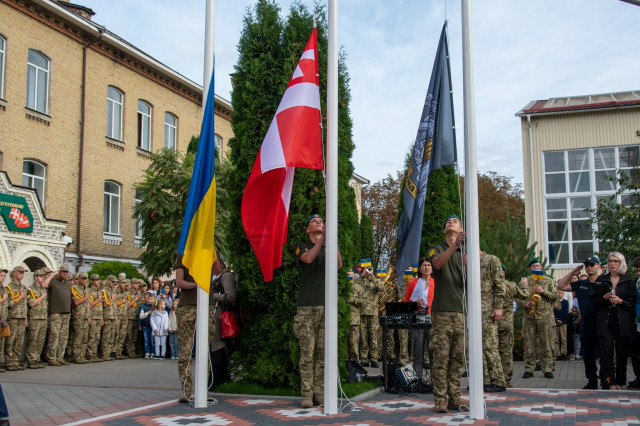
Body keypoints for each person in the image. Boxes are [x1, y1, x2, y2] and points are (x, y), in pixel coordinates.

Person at [294, 214, 342, 409]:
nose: (319, 222)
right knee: (307, 353)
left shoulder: (327, 246)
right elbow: (307, 259)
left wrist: (331, 240)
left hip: (325, 306)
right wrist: (323, 240)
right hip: (307, 306)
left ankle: (319, 393)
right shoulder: (302, 246)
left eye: (321, 221)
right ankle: (306, 394)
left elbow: (338, 265)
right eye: (315, 221)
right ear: (308, 229)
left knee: (322, 354)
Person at [429, 214, 468, 413]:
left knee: (458, 358)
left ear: (461, 229)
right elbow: (437, 264)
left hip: (461, 312)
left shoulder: (466, 253)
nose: (451, 222)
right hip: (442, 311)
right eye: (448, 222)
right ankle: (439, 399)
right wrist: (455, 246)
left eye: (455, 221)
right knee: (441, 358)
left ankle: (455, 397)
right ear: (445, 230)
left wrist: (471, 266)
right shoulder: (437, 248)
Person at [591, 252, 638, 390]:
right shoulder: (602, 279)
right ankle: (608, 381)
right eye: (610, 261)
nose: (612, 264)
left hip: (622, 321)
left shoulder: (628, 281)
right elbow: (594, 300)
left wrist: (621, 301)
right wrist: (604, 298)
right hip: (605, 320)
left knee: (622, 353)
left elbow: (633, 305)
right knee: (606, 353)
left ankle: (619, 382)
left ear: (621, 263)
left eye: (615, 261)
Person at [557, 255, 602, 389]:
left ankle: (606, 380)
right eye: (587, 265)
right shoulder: (581, 284)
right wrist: (573, 272)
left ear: (598, 267)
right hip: (586, 323)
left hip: (602, 323)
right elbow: (560, 285)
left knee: (605, 354)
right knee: (588, 355)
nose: (589, 268)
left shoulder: (604, 282)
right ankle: (592, 381)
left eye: (592, 265)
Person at [518, 258, 558, 379]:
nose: (535, 268)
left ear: (541, 268)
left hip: (544, 317)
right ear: (530, 268)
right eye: (533, 266)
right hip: (529, 317)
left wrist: (543, 291)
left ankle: (547, 369)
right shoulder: (525, 281)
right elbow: (517, 296)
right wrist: (524, 303)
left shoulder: (549, 281)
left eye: (537, 266)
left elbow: (555, 297)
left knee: (545, 344)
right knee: (530, 345)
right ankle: (529, 369)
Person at [479, 251, 507, 392]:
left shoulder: (491, 260)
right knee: (476, 348)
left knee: (489, 345)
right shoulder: (463, 262)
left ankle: (498, 380)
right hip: (471, 310)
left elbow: (500, 284)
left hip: (487, 310)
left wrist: (498, 307)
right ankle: (483, 380)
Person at [405, 257, 435, 379]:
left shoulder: (435, 283)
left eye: (429, 265)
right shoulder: (413, 283)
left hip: (432, 318)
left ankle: (435, 380)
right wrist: (415, 303)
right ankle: (418, 378)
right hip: (418, 317)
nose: (427, 267)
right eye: (424, 265)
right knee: (418, 350)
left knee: (433, 350)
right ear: (420, 268)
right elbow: (406, 302)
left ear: (432, 268)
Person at [497, 264, 527, 388]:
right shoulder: (510, 285)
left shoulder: (489, 285)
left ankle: (493, 378)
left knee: (491, 352)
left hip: (492, 323)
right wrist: (524, 284)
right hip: (506, 324)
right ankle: (506, 379)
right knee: (506, 352)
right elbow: (525, 295)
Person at [210, 255, 237, 389]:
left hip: (221, 317)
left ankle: (218, 379)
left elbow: (231, 297)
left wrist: (212, 296)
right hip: (212, 315)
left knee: (218, 346)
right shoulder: (212, 277)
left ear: (220, 262)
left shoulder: (226, 276)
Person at [356, 260, 385, 369]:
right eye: (365, 269)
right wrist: (362, 276)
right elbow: (354, 287)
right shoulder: (360, 281)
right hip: (362, 313)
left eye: (369, 269)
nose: (367, 271)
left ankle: (374, 359)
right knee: (363, 338)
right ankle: (364, 359)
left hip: (373, 313)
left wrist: (372, 276)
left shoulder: (375, 280)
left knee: (374, 337)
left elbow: (382, 288)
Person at [25, 268, 52, 368]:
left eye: (44, 276)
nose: (43, 278)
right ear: (35, 277)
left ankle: (36, 359)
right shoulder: (30, 289)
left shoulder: (43, 289)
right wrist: (42, 297)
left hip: (43, 317)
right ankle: (31, 360)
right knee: (33, 339)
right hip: (34, 318)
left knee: (40, 340)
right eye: (41, 276)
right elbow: (31, 303)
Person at [47, 265, 72, 366]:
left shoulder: (67, 282)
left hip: (66, 312)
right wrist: (53, 274)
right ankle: (51, 358)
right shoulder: (53, 280)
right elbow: (44, 284)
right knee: (54, 336)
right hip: (56, 312)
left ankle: (60, 357)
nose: (65, 273)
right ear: (59, 271)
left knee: (63, 337)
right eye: (63, 271)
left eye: (67, 272)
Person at [5, 266, 28, 370]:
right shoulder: (8, 288)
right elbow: (8, 304)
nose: (22, 275)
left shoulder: (23, 287)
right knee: (11, 340)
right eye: (20, 272)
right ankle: (9, 362)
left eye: (23, 273)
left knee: (19, 341)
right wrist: (19, 297)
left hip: (21, 317)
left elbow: (25, 304)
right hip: (12, 317)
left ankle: (16, 361)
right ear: (14, 273)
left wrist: (25, 318)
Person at [70, 272, 91, 363]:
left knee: (84, 337)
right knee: (78, 337)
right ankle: (76, 356)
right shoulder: (75, 288)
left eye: (85, 278)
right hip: (78, 316)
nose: (84, 280)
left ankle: (82, 355)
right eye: (82, 278)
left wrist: (89, 316)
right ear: (78, 279)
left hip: (85, 316)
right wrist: (85, 298)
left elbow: (88, 305)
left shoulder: (87, 289)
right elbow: (76, 303)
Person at [628, 256, 640, 390]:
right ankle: (638, 377)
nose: (638, 273)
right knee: (634, 351)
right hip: (636, 321)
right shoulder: (635, 282)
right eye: (636, 271)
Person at [99, 275, 117, 361]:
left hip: (113, 315)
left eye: (115, 282)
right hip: (107, 315)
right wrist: (112, 299)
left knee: (112, 336)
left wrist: (116, 317)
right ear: (108, 281)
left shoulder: (113, 290)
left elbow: (115, 306)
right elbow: (105, 304)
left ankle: (108, 353)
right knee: (106, 336)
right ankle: (104, 354)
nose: (114, 284)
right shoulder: (104, 291)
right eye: (112, 282)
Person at [86, 274, 104, 362]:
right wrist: (98, 299)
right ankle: (90, 354)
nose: (98, 282)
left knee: (97, 337)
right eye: (96, 280)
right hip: (92, 316)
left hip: (98, 316)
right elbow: (90, 305)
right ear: (92, 281)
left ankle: (94, 354)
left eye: (98, 280)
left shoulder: (99, 291)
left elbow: (100, 306)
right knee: (91, 336)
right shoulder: (89, 291)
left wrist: (101, 318)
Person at [348, 272, 364, 363]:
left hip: (354, 320)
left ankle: (355, 363)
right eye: (347, 276)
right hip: (344, 320)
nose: (349, 277)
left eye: (350, 276)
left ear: (354, 277)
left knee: (354, 344)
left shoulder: (358, 288)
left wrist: (353, 300)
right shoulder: (342, 287)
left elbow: (363, 302)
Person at [554, 291, 569, 361]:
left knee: (563, 338)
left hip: (563, 322)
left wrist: (562, 320)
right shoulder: (554, 302)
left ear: (563, 294)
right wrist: (556, 319)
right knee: (556, 339)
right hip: (556, 322)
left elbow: (566, 312)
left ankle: (564, 353)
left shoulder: (565, 302)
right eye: (559, 293)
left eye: (561, 293)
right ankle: (557, 354)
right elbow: (553, 312)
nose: (560, 294)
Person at [139, 291, 155, 359]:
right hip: (145, 326)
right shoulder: (143, 306)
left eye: (151, 299)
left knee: (152, 340)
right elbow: (140, 317)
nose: (149, 300)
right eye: (148, 299)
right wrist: (147, 313)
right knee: (146, 340)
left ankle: (153, 352)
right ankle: (147, 352)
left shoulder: (155, 307)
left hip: (153, 327)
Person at [0, 268, 8, 372]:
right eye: (1, 275)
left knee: (1, 343)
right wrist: (3, 299)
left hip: (2, 319)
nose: (3, 278)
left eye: (4, 276)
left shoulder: (3, 289)